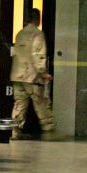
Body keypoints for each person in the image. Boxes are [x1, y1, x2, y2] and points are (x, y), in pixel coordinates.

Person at [9, 7, 56, 139]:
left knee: (19, 104)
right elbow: (38, 55)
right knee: (41, 103)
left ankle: (15, 132)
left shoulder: (19, 34)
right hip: (32, 76)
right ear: (37, 19)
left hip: (17, 75)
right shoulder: (37, 34)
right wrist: (43, 72)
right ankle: (48, 131)